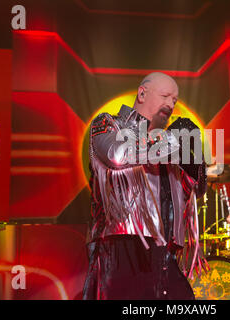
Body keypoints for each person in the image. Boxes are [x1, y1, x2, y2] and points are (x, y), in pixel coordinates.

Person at [83, 72, 207, 300]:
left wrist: (194, 158)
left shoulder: (170, 144)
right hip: (122, 246)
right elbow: (117, 155)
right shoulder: (108, 123)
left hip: (164, 252)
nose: (170, 104)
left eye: (175, 100)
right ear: (142, 93)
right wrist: (172, 140)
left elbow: (193, 191)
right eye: (165, 96)